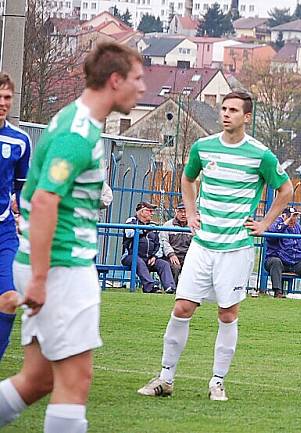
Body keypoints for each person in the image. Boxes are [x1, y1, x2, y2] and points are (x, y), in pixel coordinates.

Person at [0, 42, 145, 432]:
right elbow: (45, 199)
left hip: (48, 265)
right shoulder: (77, 134)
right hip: (61, 268)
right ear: (115, 80)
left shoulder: (74, 122)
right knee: (75, 382)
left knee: (37, 380)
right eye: (138, 78)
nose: (143, 88)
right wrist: (42, 279)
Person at [137, 91, 292, 401]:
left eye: (233, 110)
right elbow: (187, 177)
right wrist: (191, 212)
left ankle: (217, 382)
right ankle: (165, 378)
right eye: (223, 108)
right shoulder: (203, 147)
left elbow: (286, 190)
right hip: (203, 245)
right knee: (182, 307)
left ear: (246, 117)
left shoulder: (260, 155)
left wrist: (263, 224)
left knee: (227, 313)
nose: (226, 113)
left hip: (236, 247)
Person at [0, 71, 31, 360]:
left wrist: (26, 217)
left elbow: (22, 188)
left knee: (9, 299)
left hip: (4, 231)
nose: (3, 102)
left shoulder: (19, 141)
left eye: (7, 97)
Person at [263, 206, 301, 299]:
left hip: (295, 262)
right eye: (290, 217)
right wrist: (286, 223)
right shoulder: (275, 223)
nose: (293, 219)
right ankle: (278, 292)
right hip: (279, 261)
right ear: (283, 216)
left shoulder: (297, 226)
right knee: (275, 261)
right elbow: (272, 235)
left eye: (295, 217)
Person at [122, 201, 176, 294]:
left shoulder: (153, 226)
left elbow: (159, 244)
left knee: (164, 264)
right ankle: (149, 287)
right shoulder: (131, 221)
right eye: (149, 211)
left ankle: (170, 288)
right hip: (130, 256)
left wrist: (155, 256)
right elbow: (129, 233)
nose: (152, 213)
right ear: (141, 212)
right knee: (138, 261)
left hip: (149, 258)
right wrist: (144, 230)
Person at [159, 202, 193, 283]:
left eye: (186, 211)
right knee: (175, 267)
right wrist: (171, 254)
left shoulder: (193, 226)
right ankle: (173, 289)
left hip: (188, 256)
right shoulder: (168, 225)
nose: (183, 214)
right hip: (172, 255)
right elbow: (164, 241)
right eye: (180, 211)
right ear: (176, 212)